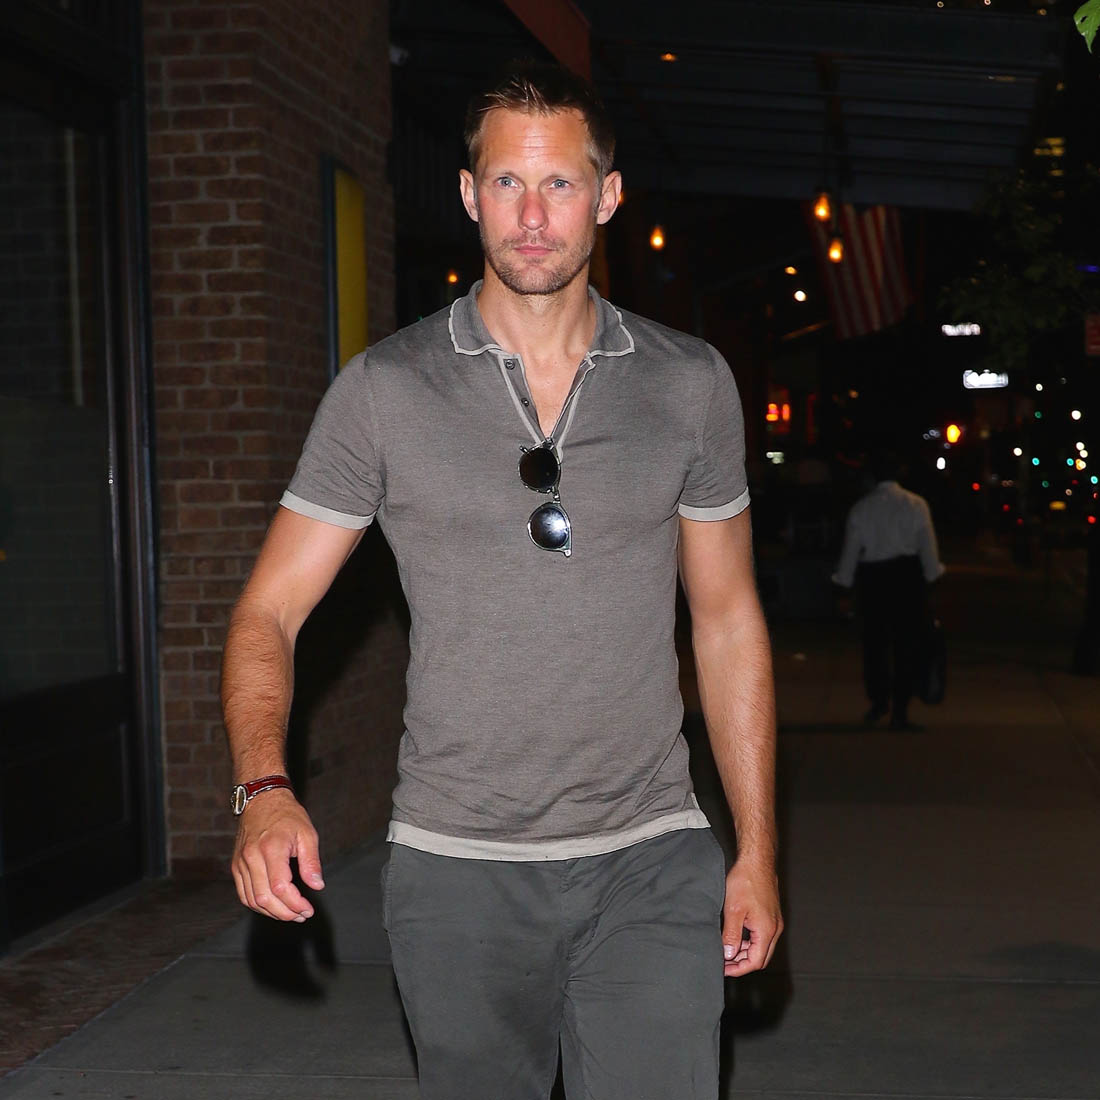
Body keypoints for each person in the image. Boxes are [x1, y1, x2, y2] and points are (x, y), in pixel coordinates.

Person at [222, 60, 782, 1100]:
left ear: (607, 196)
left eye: (560, 183)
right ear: (468, 194)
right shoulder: (384, 391)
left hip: (651, 854)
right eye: (507, 183)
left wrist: (755, 847)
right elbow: (269, 610)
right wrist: (264, 788)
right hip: (457, 863)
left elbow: (726, 620)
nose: (532, 217)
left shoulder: (690, 384)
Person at [832, 451, 945, 729]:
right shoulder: (916, 504)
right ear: (901, 472)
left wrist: (844, 585)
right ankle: (900, 709)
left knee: (875, 643)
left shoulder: (862, 508)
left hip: (874, 579)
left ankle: (879, 701)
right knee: (906, 644)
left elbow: (851, 551)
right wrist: (932, 578)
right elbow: (927, 546)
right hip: (907, 577)